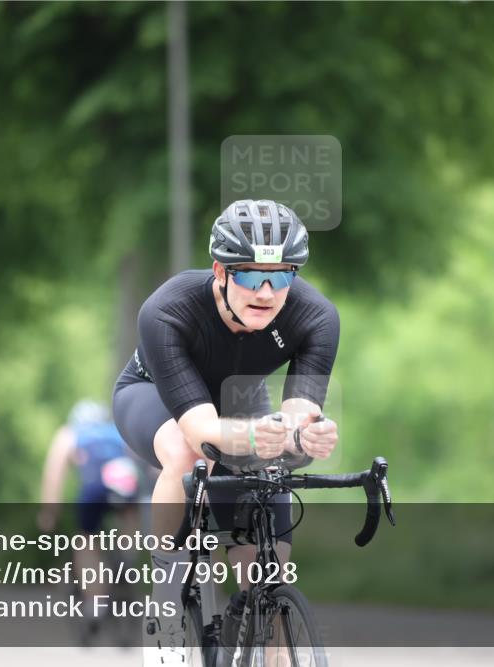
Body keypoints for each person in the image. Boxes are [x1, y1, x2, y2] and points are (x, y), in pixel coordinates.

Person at [112, 199, 340, 664]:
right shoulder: (168, 309)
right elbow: (200, 432)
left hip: (238, 399)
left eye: (283, 276)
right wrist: (259, 438)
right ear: (220, 271)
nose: (268, 292)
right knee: (190, 454)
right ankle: (168, 592)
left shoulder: (316, 317)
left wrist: (304, 436)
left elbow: (298, 415)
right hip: (155, 396)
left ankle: (259, 612)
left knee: (271, 478)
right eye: (253, 276)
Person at [38, 400, 142, 636]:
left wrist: (49, 512)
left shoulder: (70, 433)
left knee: (85, 541)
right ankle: (127, 557)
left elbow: (54, 473)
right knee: (128, 512)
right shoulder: (116, 431)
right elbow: (139, 461)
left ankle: (95, 601)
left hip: (94, 486)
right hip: (124, 479)